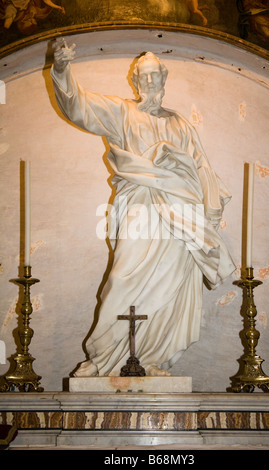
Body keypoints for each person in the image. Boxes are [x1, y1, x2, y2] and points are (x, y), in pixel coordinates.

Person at [51, 40, 235, 377]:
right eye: (144, 77)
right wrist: (62, 69)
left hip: (180, 214)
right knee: (124, 276)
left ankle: (151, 358)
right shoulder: (121, 111)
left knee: (169, 285)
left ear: (164, 80)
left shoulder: (181, 124)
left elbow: (202, 167)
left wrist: (210, 212)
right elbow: (78, 106)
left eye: (155, 77)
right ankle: (104, 357)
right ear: (135, 82)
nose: (150, 83)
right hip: (138, 206)